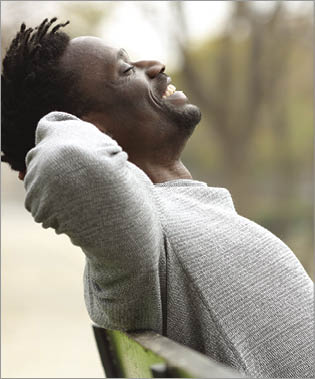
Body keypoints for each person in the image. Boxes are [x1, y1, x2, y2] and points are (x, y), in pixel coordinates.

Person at [2, 18, 313, 378]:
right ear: (93, 130)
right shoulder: (137, 247)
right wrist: (57, 127)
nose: (155, 66)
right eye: (125, 70)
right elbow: (67, 163)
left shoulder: (171, 216)